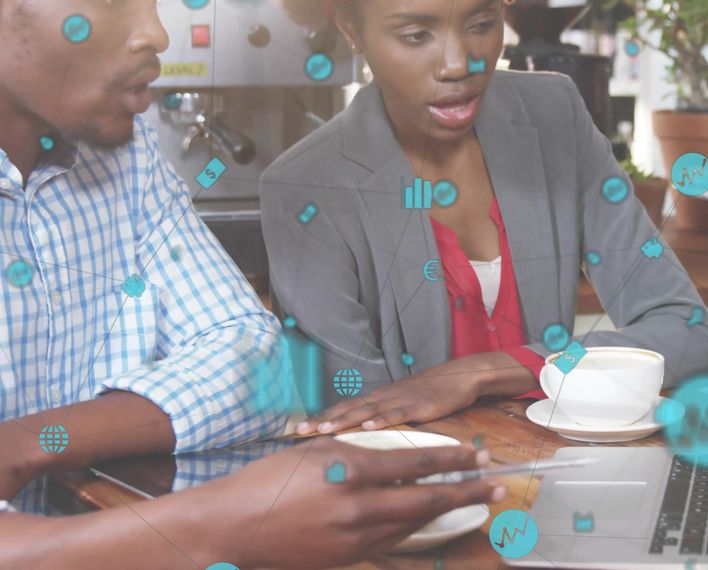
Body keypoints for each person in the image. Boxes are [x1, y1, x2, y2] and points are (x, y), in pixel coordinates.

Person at [0, 1, 501, 567]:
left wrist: (29, 443)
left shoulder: (126, 156)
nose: (158, 34)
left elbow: (257, 361)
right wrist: (213, 527)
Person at [263, 0, 708, 437]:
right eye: (416, 34)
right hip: (430, 504)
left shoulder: (554, 116)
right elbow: (365, 421)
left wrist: (483, 371)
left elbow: (690, 336)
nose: (459, 64)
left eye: (482, 24)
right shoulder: (304, 189)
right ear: (350, 28)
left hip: (563, 474)